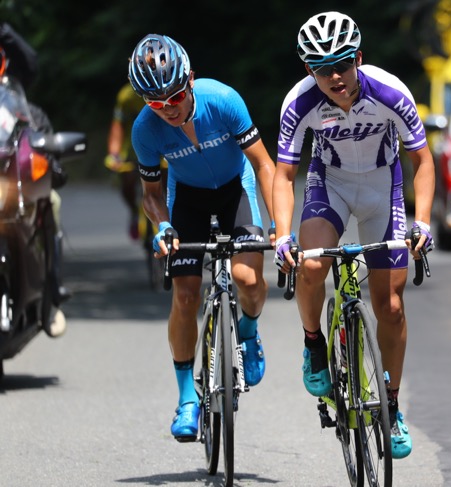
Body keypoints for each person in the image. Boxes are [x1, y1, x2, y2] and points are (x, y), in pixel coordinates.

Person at [273, 11, 435, 460]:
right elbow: (285, 173)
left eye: (343, 64)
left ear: (358, 59)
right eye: (322, 69)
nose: (335, 76)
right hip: (332, 185)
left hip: (384, 187)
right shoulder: (299, 103)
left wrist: (422, 221)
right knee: (310, 264)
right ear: (309, 70)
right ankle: (313, 346)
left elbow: (423, 160)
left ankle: (393, 405)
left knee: (392, 306)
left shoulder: (390, 92)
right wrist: (280, 235)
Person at [127, 34, 276, 441]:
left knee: (247, 280)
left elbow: (263, 165)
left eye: (174, 97)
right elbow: (152, 195)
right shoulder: (145, 131)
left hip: (235, 188)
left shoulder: (223, 100)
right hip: (186, 199)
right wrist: (162, 226)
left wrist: (280, 224)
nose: (168, 109)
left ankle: (247, 331)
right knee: (186, 295)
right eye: (155, 103)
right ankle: (187, 399)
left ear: (190, 80)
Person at [1, 22, 69, 335]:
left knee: (50, 202)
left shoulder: (16, 104)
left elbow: (38, 139)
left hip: (10, 185)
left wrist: (50, 164)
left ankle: (50, 298)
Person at [105, 83, 149, 241]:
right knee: (127, 180)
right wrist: (114, 154)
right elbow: (118, 126)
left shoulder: (168, 91)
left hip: (162, 148)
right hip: (133, 150)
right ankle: (134, 211)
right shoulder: (126, 97)